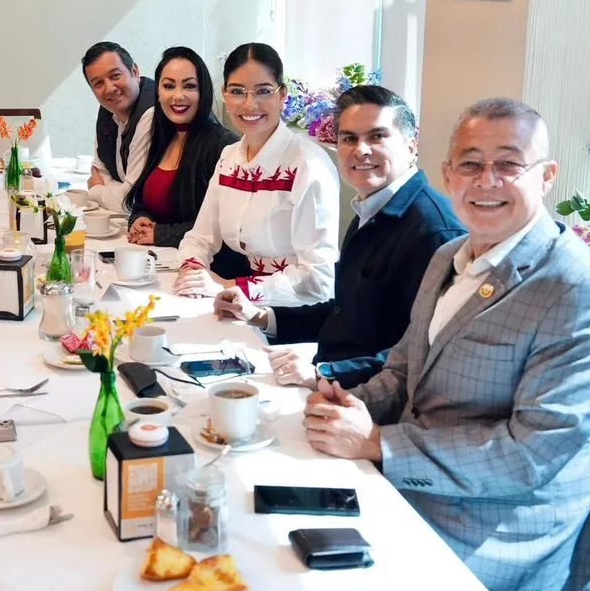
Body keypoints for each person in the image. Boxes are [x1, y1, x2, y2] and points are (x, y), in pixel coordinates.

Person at [301, 99, 590, 591]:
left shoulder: (579, 293)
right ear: (448, 174)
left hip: (500, 536)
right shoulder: (446, 258)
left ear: (547, 176)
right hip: (412, 489)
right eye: (471, 164)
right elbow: (403, 369)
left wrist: (378, 444)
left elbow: (529, 456)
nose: (487, 181)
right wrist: (348, 404)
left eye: (509, 164)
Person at [214, 86, 464, 388]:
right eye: (349, 138)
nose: (361, 150)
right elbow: (344, 313)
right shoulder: (370, 208)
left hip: (366, 399)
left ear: (412, 146)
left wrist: (325, 374)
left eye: (377, 136)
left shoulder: (433, 232)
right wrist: (261, 316)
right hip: (332, 377)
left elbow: (424, 354)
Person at [174, 42, 341, 307]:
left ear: (283, 94)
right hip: (244, 304)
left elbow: (318, 281)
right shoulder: (229, 158)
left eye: (263, 91)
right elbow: (200, 237)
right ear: (224, 94)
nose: (250, 104)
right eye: (237, 91)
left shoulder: (308, 165)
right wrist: (193, 271)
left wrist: (227, 286)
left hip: (296, 312)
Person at [125, 46, 239, 254]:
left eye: (189, 86)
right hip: (158, 259)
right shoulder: (161, 136)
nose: (178, 96)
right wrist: (140, 218)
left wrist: (161, 234)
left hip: (205, 266)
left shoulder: (225, 146)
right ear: (158, 92)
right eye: (169, 86)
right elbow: (145, 202)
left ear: (203, 92)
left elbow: (225, 226)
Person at [83, 41, 157, 213]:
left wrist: (96, 190)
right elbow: (99, 170)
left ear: (135, 72)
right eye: (98, 83)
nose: (109, 89)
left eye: (115, 76)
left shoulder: (151, 113)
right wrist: (116, 190)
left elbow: (130, 201)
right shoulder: (108, 109)